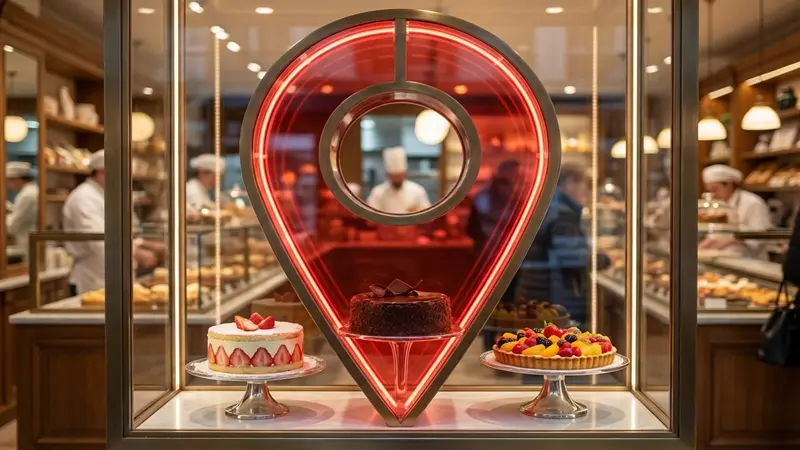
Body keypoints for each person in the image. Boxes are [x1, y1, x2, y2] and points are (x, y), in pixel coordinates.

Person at [63, 151, 163, 294]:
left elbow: (125, 233)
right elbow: (99, 241)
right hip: (93, 280)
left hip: (117, 277)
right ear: (101, 172)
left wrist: (146, 244)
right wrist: (137, 253)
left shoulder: (111, 196)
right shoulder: (83, 198)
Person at [521, 164, 610, 327]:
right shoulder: (562, 213)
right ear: (570, 183)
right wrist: (604, 259)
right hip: (553, 294)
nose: (589, 192)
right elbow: (572, 258)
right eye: (587, 185)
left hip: (539, 290)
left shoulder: (551, 205)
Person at [700, 164, 772, 259]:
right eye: (709, 190)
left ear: (729, 185)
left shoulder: (752, 203)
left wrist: (731, 240)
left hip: (750, 261)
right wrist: (707, 244)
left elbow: (761, 236)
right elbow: (715, 233)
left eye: (715, 189)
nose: (713, 195)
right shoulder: (716, 205)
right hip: (722, 260)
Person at [366, 147, 431, 214]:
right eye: (394, 176)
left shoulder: (417, 191)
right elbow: (371, 214)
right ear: (388, 175)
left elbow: (426, 213)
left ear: (405, 174)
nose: (397, 179)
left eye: (400, 175)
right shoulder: (377, 192)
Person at [5, 161, 38, 255]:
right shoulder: (31, 191)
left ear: (16, 179)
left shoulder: (27, 195)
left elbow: (12, 225)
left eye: (8, 180)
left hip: (26, 244)